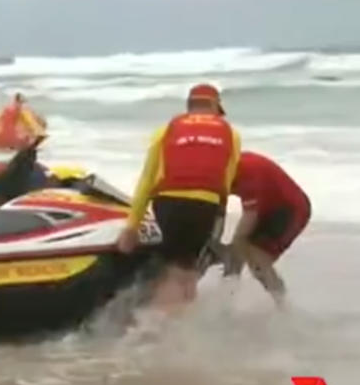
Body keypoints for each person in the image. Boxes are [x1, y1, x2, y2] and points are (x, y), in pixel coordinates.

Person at [117, 83, 241, 311]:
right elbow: (226, 182)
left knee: (171, 269)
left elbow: (147, 180)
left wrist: (132, 227)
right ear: (214, 106)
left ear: (189, 106)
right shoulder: (231, 134)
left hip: (168, 202)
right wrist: (217, 219)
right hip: (206, 204)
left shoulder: (166, 130)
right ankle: (175, 327)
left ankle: (157, 325)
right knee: (188, 269)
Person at [223, 151, 311, 308]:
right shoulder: (215, 173)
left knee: (256, 257)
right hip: (265, 208)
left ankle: (284, 308)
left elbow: (248, 220)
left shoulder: (247, 170)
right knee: (237, 254)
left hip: (291, 208)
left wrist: (234, 246)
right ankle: (225, 303)